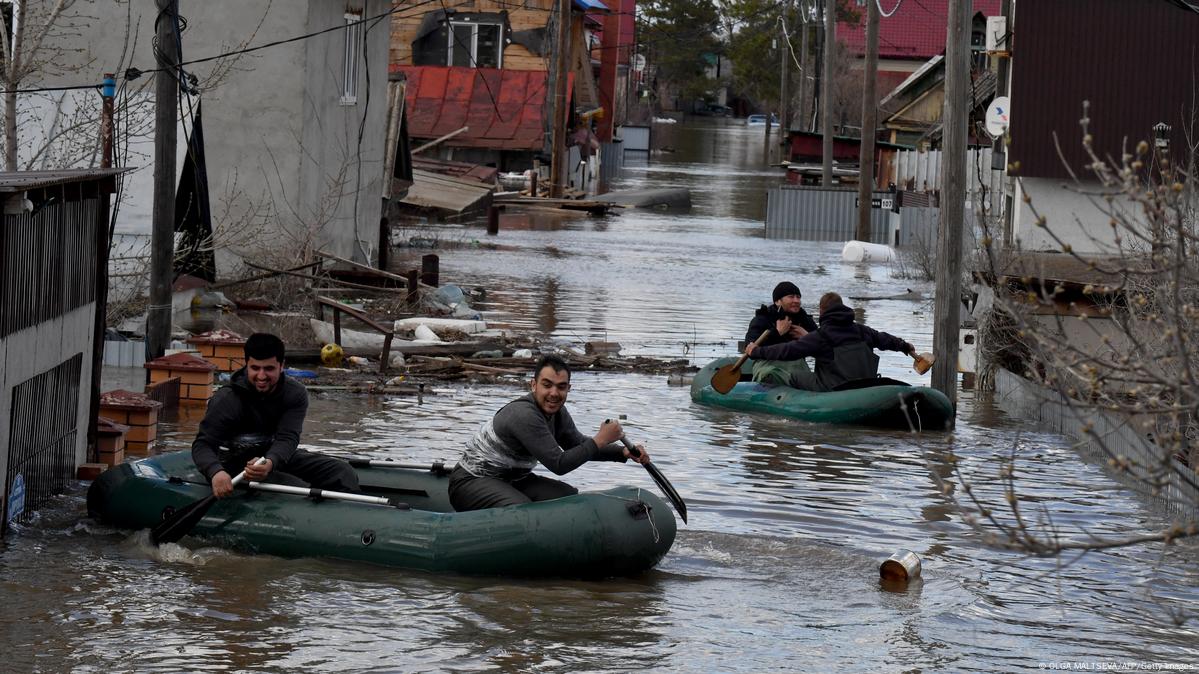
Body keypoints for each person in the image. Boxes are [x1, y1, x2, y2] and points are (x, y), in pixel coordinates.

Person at [448, 354, 652, 512]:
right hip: (471, 481)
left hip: (512, 480)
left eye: (561, 387)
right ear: (534, 385)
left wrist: (621, 453)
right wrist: (600, 439)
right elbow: (559, 464)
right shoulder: (524, 415)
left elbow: (577, 445)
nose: (554, 393)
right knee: (522, 510)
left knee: (567, 495)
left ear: (568, 389)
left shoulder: (558, 412)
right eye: (547, 385)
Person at [191, 332, 360, 498]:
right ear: (246, 365)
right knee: (297, 490)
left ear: (281, 365)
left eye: (269, 369)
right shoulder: (227, 399)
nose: (262, 376)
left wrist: (270, 462)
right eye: (255, 368)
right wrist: (216, 472)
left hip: (272, 457)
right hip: (235, 466)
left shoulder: (295, 393)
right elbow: (202, 445)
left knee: (343, 472)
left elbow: (288, 437)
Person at [745, 292, 919, 392]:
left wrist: (756, 351)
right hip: (866, 383)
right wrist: (904, 346)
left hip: (834, 388)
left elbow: (788, 351)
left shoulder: (821, 336)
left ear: (822, 311)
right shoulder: (861, 330)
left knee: (793, 376)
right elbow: (885, 339)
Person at [744, 281, 819, 385]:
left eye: (798, 297)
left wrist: (807, 336)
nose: (796, 300)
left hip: (797, 365)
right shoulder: (763, 319)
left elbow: (823, 347)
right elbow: (750, 348)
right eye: (791, 297)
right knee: (770, 375)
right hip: (768, 365)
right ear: (778, 301)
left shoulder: (805, 320)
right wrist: (777, 332)